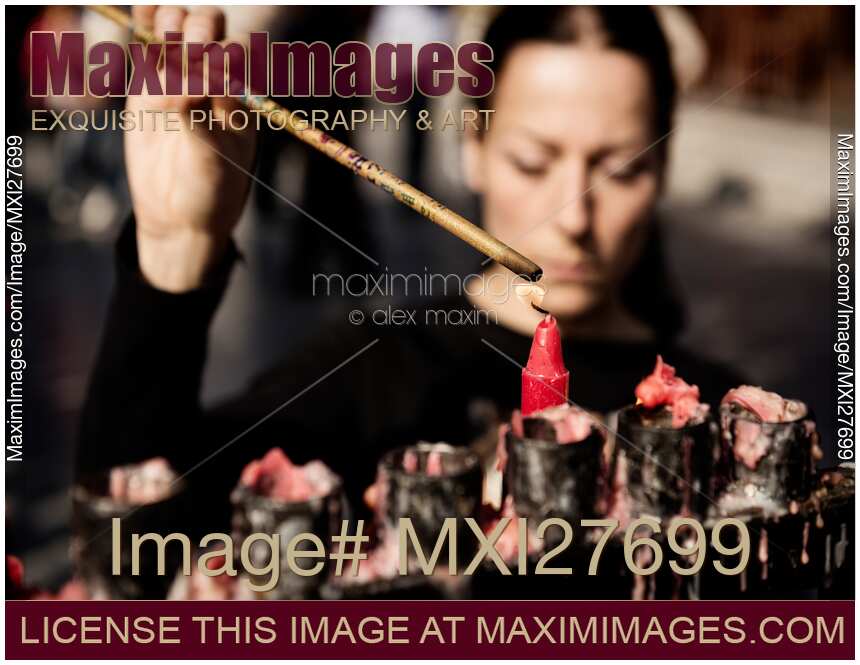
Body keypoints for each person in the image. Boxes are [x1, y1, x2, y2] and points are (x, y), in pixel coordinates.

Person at [78, 6, 743, 534]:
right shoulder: (379, 365)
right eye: (533, 162)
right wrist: (175, 251)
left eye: (621, 170)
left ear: (662, 168)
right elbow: (134, 527)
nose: (575, 215)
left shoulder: (730, 421)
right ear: (473, 145)